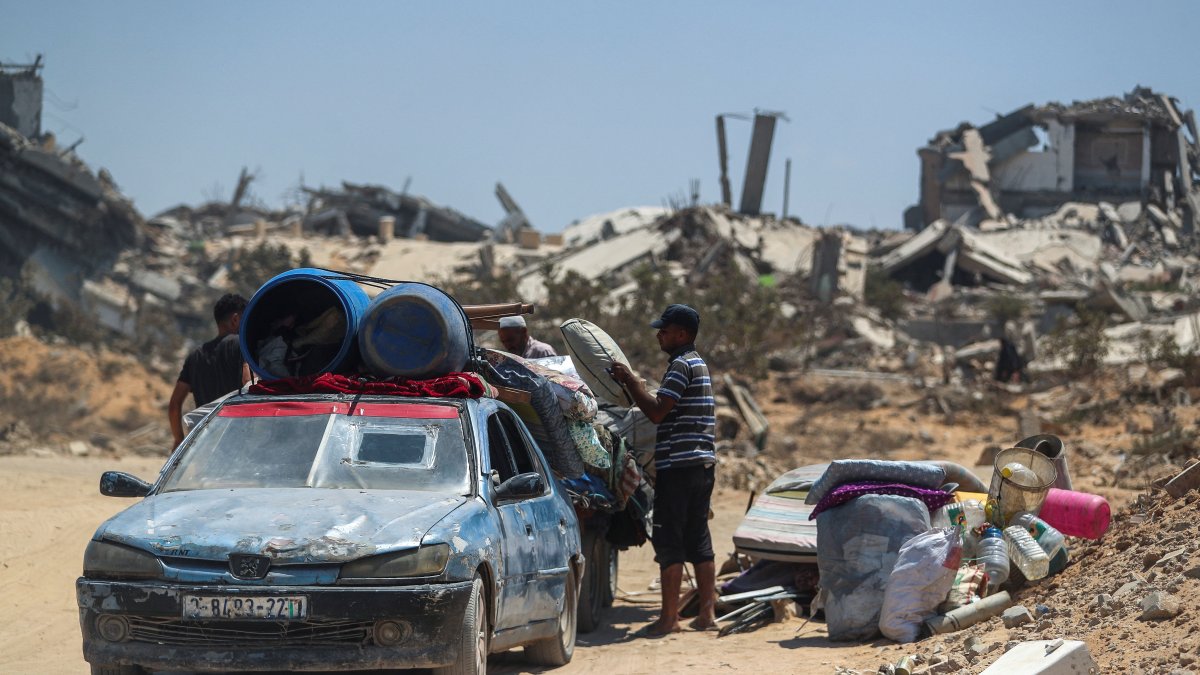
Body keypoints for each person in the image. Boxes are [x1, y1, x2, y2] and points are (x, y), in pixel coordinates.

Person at [609, 303, 717, 635]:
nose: (660, 335)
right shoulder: (698, 364)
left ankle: (670, 619)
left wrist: (631, 381)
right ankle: (706, 615)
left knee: (669, 538)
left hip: (679, 466)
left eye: (665, 330)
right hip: (701, 465)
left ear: (682, 335)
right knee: (698, 537)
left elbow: (657, 412)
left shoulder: (681, 366)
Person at [168, 294, 252, 447]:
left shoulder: (195, 356)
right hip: (238, 439)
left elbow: (174, 405)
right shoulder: (241, 344)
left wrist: (179, 441)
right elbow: (248, 383)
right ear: (235, 319)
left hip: (205, 444)